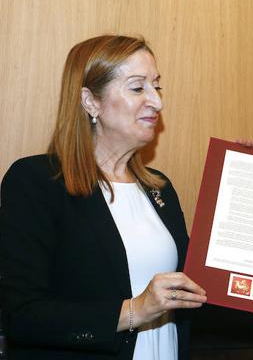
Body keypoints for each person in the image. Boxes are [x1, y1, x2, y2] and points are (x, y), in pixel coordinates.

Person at [0, 35, 208, 359]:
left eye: (157, 86)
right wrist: (134, 310)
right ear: (90, 101)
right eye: (138, 88)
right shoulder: (37, 182)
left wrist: (241, 181)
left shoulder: (160, 189)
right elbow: (23, 316)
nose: (157, 101)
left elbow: (198, 296)